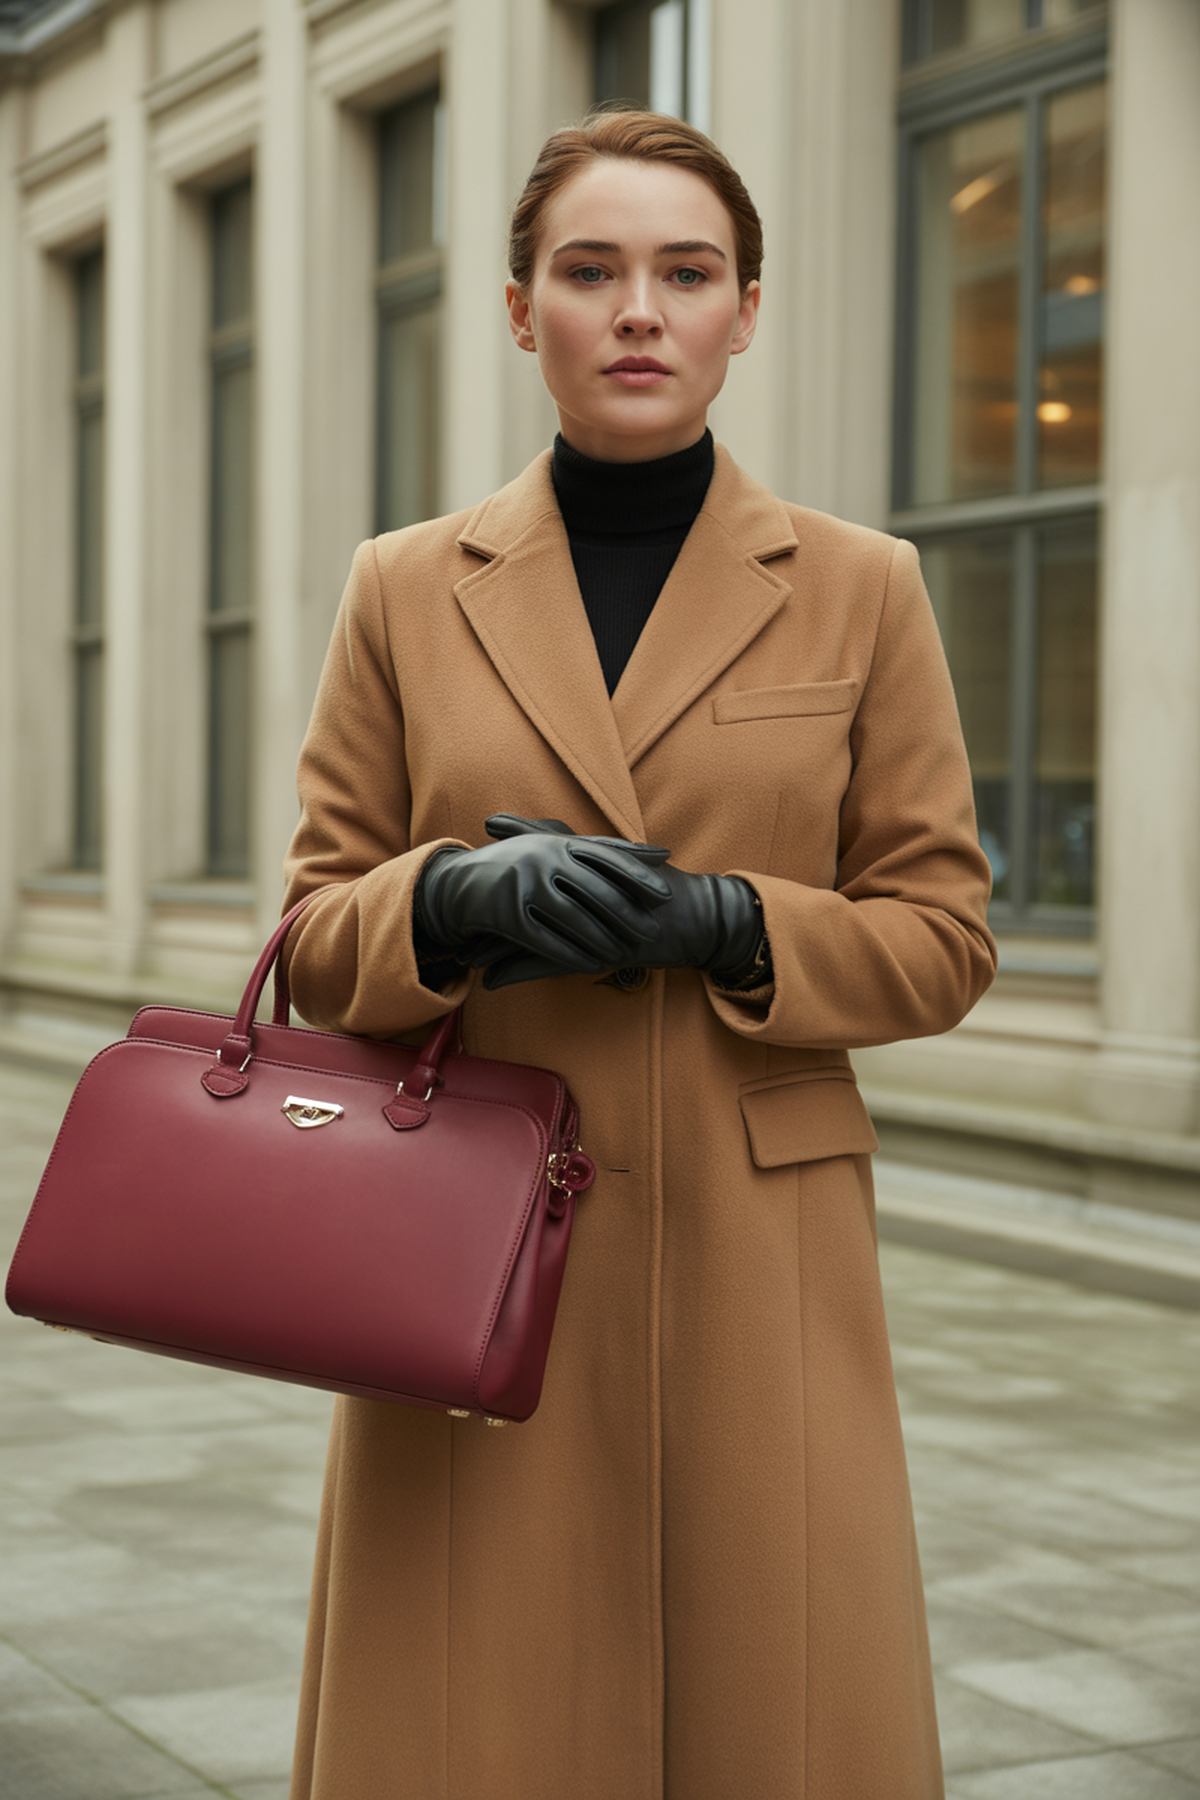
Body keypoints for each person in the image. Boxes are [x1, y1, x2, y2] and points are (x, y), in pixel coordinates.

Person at [281, 107, 995, 1800]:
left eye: (686, 272)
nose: (638, 312)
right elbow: (313, 939)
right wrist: (449, 902)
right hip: (466, 1245)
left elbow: (943, 937)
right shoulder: (403, 588)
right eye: (590, 271)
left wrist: (735, 922)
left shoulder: (865, 587)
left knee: (774, 1707)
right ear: (520, 309)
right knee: (478, 1710)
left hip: (761, 1256)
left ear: (747, 310)